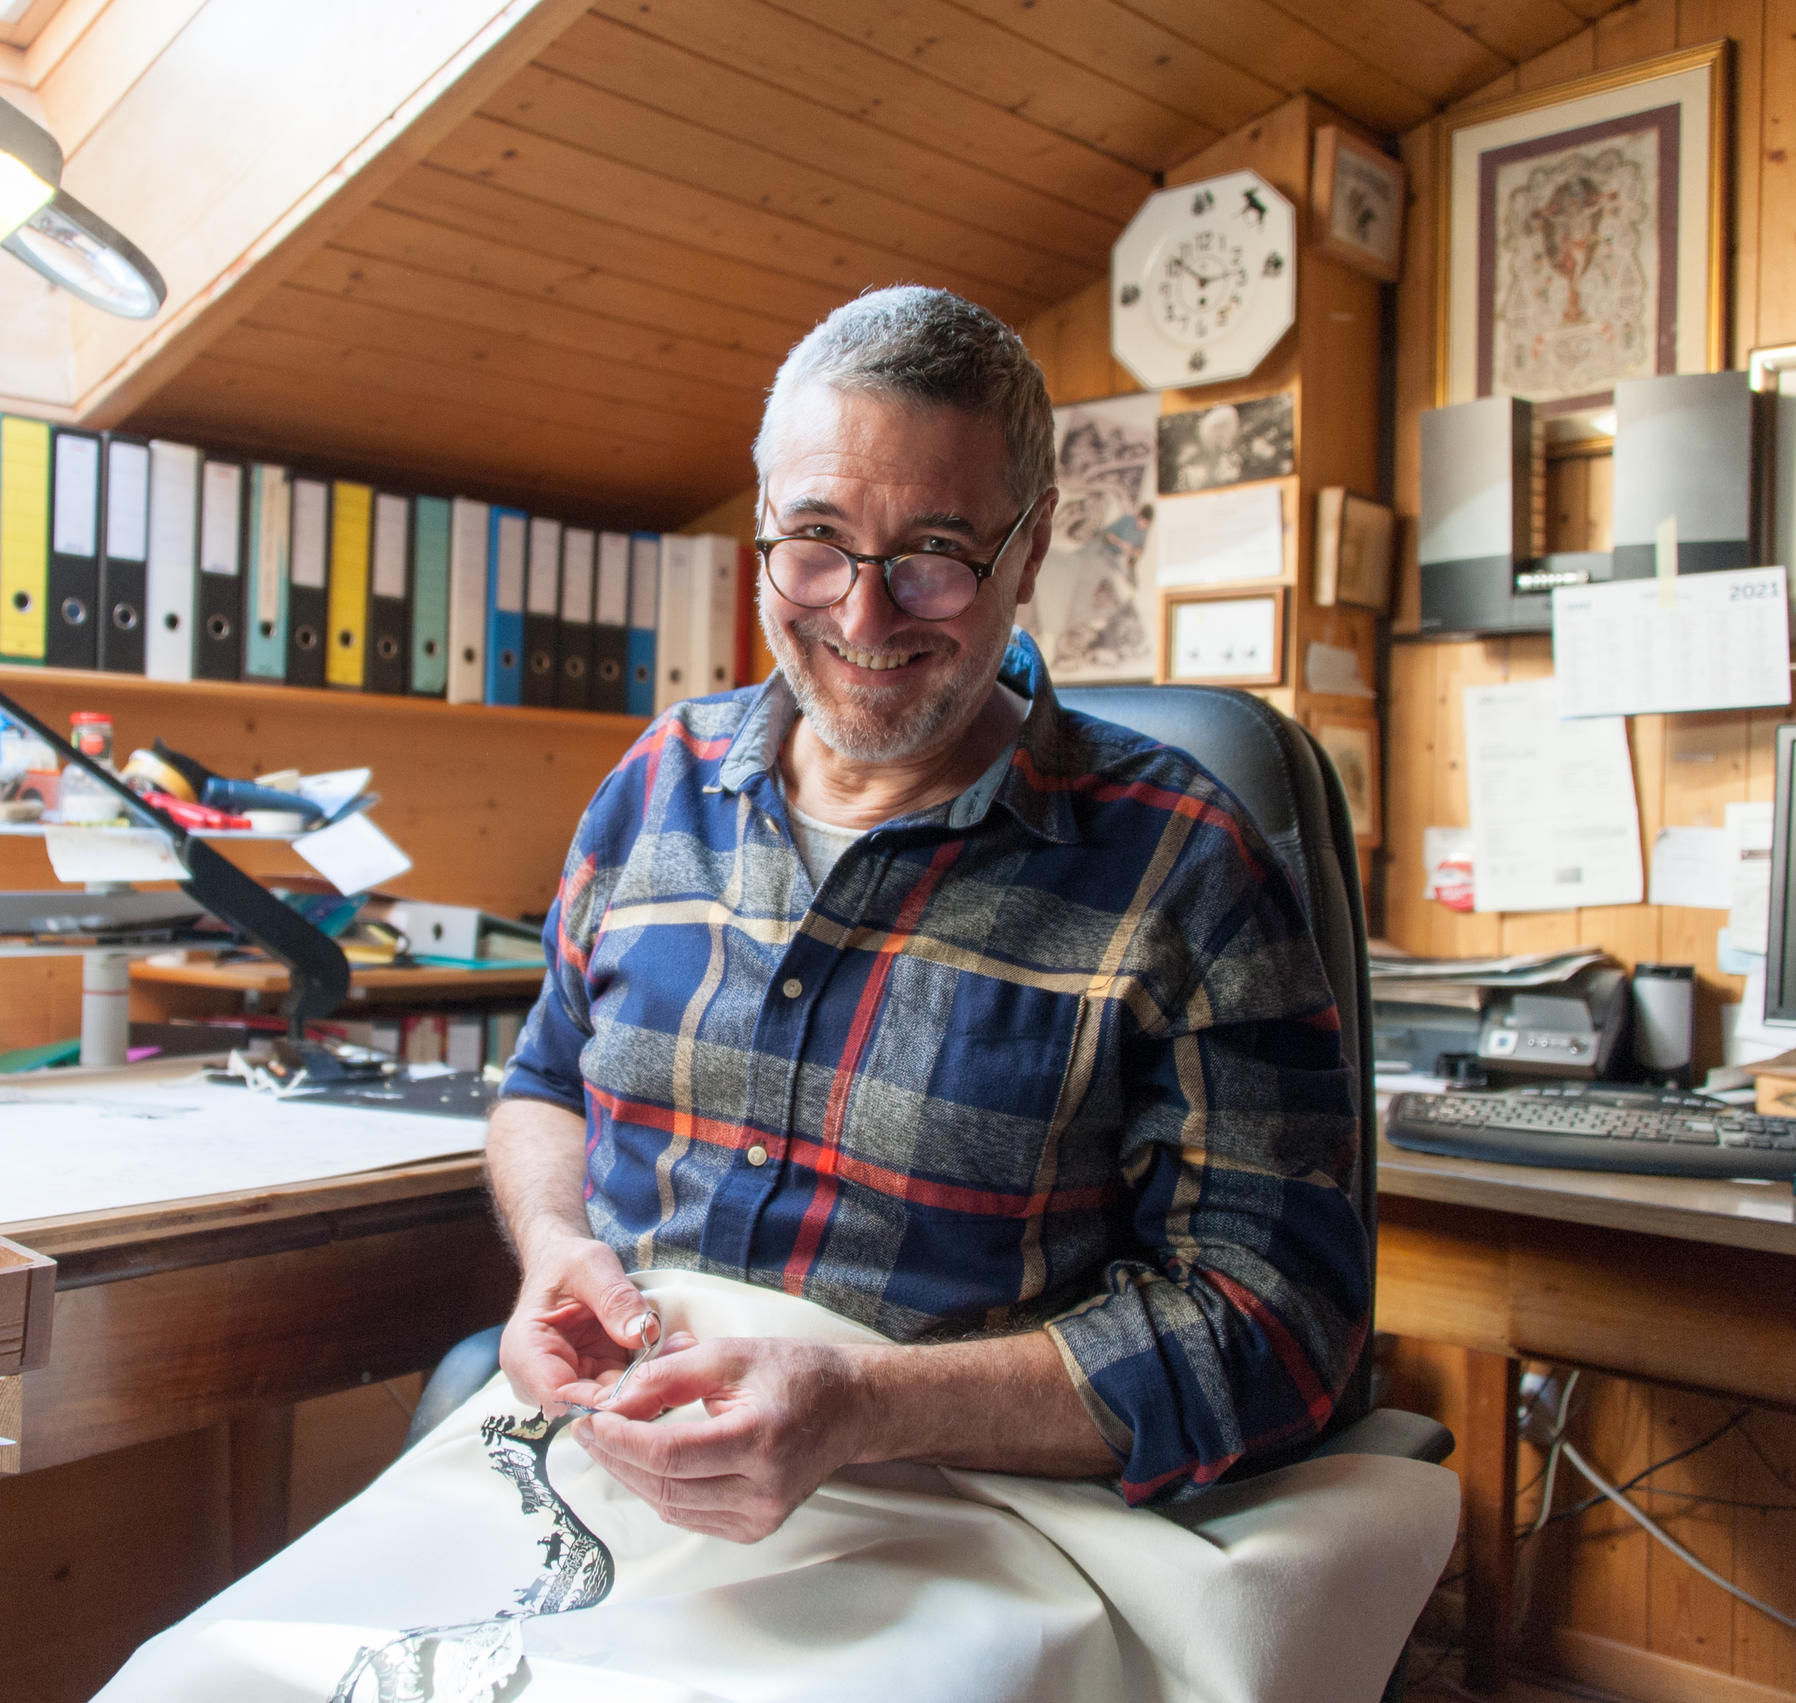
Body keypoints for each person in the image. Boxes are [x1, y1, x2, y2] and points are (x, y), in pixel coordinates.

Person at [488, 285, 1367, 1544]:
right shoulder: (656, 784)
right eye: (815, 542)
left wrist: (865, 1404)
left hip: (963, 1514)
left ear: (1032, 545)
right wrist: (554, 1245)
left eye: (935, 558)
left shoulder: (1186, 862)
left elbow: (1278, 1325)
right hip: (602, 1476)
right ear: (760, 526)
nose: (861, 614)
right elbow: (544, 1086)